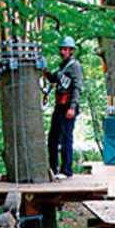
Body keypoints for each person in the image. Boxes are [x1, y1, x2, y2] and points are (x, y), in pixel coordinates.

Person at [43, 36, 83, 180]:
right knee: (53, 137)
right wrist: (45, 72)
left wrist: (72, 107)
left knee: (66, 138)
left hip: (68, 106)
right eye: (61, 49)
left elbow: (77, 87)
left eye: (65, 49)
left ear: (71, 51)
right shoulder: (62, 66)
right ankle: (52, 167)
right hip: (59, 105)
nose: (63, 52)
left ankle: (66, 170)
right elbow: (54, 79)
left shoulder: (75, 66)